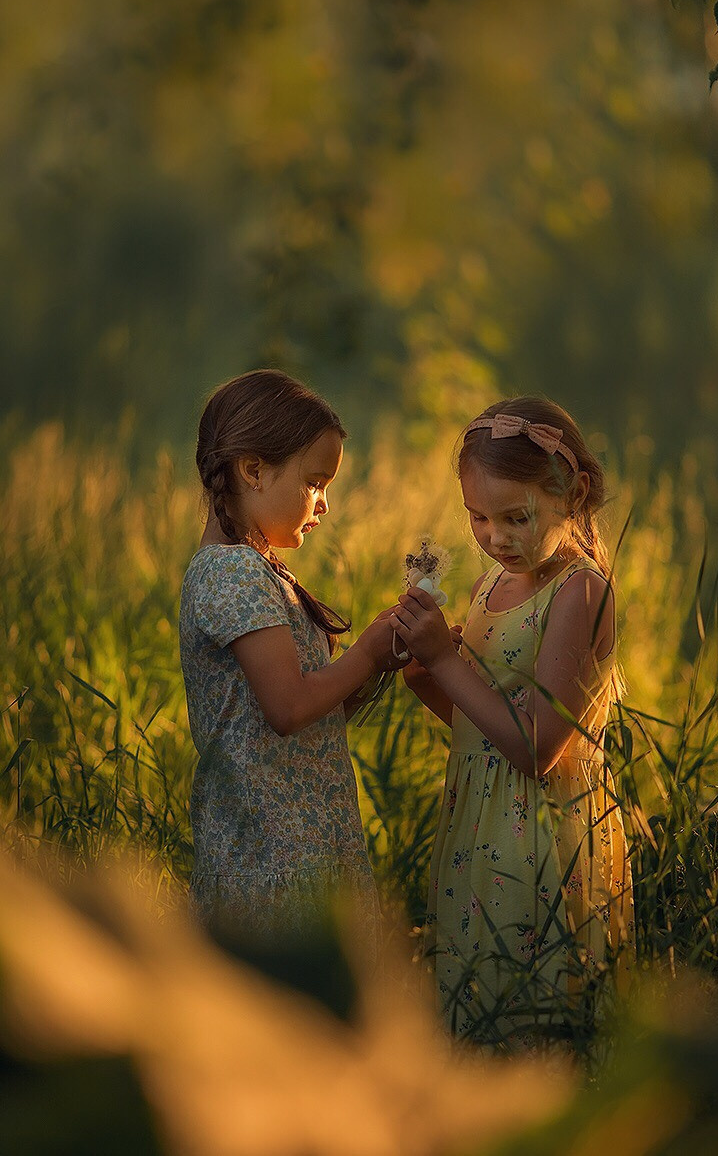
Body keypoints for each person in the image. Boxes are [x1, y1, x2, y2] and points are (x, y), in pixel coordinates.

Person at [393, 396, 633, 1047]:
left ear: (572, 495)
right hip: (480, 831)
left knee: (532, 1024)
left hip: (542, 843)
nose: (495, 536)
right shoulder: (490, 586)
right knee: (478, 1016)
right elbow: (481, 724)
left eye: (515, 517)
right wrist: (426, 674)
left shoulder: (579, 591)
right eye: (477, 516)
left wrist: (448, 659)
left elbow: (534, 746)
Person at [179, 369, 398, 963]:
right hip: (268, 857)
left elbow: (314, 710)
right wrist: (367, 649)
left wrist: (381, 662)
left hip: (303, 844)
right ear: (252, 469)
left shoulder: (262, 570)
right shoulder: (230, 572)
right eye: (315, 481)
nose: (324, 502)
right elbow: (288, 706)